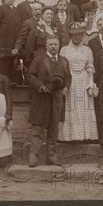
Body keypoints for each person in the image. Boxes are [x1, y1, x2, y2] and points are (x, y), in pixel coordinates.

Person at [27, 36, 71, 166]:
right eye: (50, 44)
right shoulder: (38, 60)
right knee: (37, 128)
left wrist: (66, 88)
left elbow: (69, 77)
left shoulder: (64, 61)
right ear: (46, 46)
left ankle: (52, 157)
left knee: (53, 129)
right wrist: (40, 86)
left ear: (59, 46)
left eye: (55, 44)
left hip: (57, 99)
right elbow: (30, 76)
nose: (53, 47)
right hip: (41, 98)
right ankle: (33, 157)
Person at [59, 22, 98, 141]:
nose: (77, 37)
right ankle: (70, 136)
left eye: (79, 35)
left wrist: (91, 81)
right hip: (70, 80)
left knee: (84, 106)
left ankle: (85, 136)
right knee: (71, 106)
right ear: (70, 36)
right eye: (74, 35)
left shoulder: (87, 50)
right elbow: (62, 67)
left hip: (84, 79)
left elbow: (90, 66)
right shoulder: (64, 50)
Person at [0, 0, 21, 83]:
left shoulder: (16, 11)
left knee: (12, 66)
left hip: (13, 45)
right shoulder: (0, 9)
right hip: (3, 45)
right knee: (3, 67)